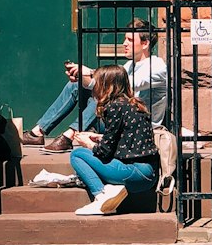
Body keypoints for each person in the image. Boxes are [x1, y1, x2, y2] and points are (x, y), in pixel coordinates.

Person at [22, 19, 169, 151]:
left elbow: (120, 85)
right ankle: (38, 132)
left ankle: (69, 136)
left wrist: (91, 72)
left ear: (145, 43)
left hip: (137, 127)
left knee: (105, 96)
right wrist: (81, 77)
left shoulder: (157, 67)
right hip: (118, 119)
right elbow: (99, 84)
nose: (124, 43)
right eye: (125, 39)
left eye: (130, 40)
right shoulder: (129, 65)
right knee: (77, 86)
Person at [68, 64, 159, 216]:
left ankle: (101, 196)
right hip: (149, 173)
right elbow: (128, 137)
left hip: (134, 173)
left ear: (105, 85)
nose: (94, 86)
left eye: (97, 82)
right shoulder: (134, 104)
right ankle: (109, 189)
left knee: (77, 155)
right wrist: (100, 138)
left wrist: (89, 144)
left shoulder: (114, 107)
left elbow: (104, 152)